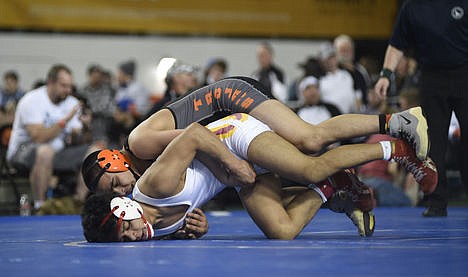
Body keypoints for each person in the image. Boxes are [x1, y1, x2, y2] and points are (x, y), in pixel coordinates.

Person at [81, 112, 437, 242]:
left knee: (309, 159)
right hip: (233, 173)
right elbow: (191, 217)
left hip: (230, 136)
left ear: (123, 208)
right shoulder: (155, 229)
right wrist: (198, 231)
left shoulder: (152, 185)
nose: (132, 237)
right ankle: (332, 187)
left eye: (124, 228)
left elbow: (193, 133)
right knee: (280, 231)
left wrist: (235, 166)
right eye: (124, 240)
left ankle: (397, 148)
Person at [373, 0, 468, 217]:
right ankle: (436, 201)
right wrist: (386, 75)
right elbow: (397, 44)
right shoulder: (412, 7)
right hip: (432, 76)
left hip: (465, 72)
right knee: (433, 140)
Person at [6, 64, 99, 212]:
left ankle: (77, 203)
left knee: (95, 151)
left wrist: (85, 128)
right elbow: (38, 137)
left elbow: (78, 140)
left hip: (58, 152)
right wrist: (64, 121)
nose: (68, 90)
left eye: (70, 86)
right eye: (63, 86)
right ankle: (40, 206)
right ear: (50, 82)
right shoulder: (31, 100)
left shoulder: (72, 102)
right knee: (45, 151)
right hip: (23, 152)